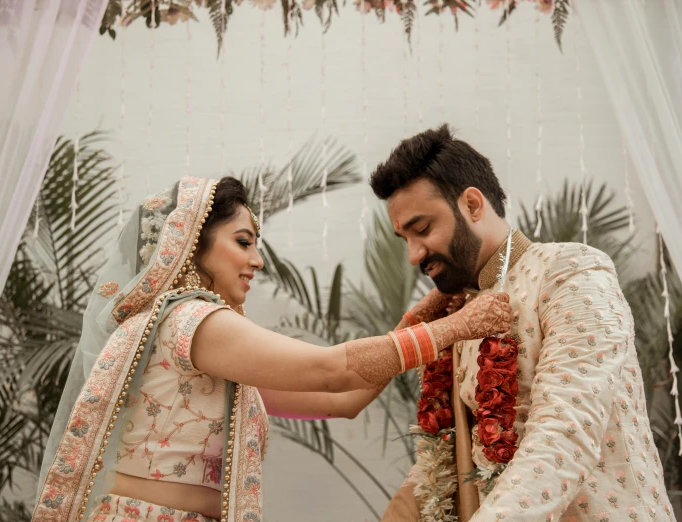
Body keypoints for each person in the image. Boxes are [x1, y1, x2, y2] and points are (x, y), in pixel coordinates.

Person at [32, 175, 512, 522]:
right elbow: (332, 370)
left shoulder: (202, 345)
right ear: (192, 246)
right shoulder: (191, 320)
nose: (257, 261)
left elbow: (340, 401)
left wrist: (415, 319)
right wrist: (455, 328)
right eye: (243, 242)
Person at [371, 125, 674, 521]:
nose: (413, 255)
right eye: (404, 239)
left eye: (423, 229)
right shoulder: (464, 311)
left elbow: (565, 433)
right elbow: (451, 460)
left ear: (473, 205)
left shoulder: (572, 272)